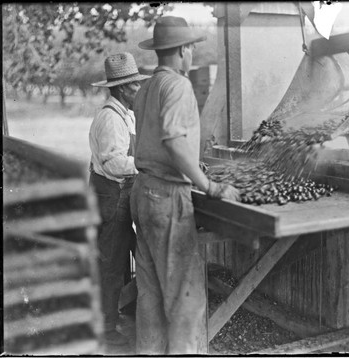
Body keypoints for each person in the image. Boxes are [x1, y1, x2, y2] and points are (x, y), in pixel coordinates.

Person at [131, 16, 240, 354]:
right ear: (181, 50)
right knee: (185, 299)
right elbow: (175, 141)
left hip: (143, 190)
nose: (193, 53)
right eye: (192, 47)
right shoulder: (178, 85)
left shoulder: (147, 86)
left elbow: (151, 141)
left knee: (150, 292)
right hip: (167, 197)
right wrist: (210, 186)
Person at [88, 52, 150, 346]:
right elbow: (114, 163)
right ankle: (106, 330)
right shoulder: (111, 119)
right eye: (135, 86)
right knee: (110, 262)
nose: (138, 90)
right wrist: (147, 162)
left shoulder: (125, 114)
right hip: (111, 194)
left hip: (116, 192)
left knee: (120, 259)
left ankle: (117, 313)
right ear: (124, 88)